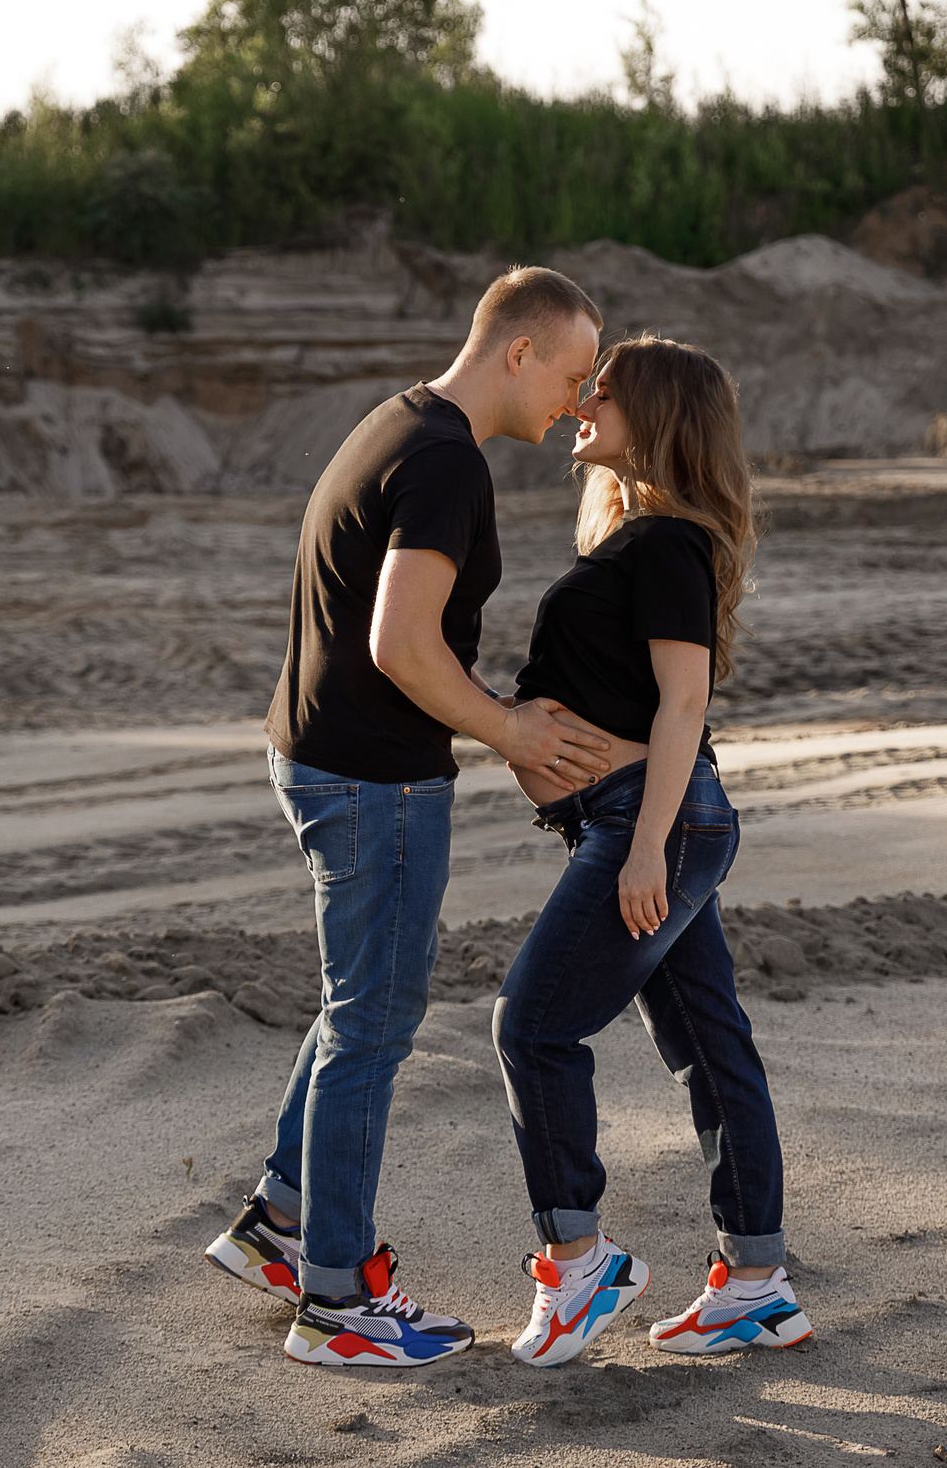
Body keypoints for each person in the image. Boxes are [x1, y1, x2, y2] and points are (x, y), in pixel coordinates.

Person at [204, 267, 614, 1368]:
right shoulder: (445, 462)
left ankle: (280, 1223)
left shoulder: (398, 422)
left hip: (321, 756)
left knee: (360, 1003)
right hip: (371, 778)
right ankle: (337, 1302)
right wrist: (511, 731)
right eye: (573, 373)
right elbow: (400, 643)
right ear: (519, 350)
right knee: (373, 1023)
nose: (578, 401)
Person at [490, 335, 810, 1367]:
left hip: (650, 823)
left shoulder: (668, 543)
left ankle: (578, 1259)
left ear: (658, 416)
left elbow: (683, 705)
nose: (582, 402)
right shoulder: (639, 538)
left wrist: (646, 849)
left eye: (605, 391)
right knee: (710, 1043)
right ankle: (756, 1284)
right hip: (637, 820)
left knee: (532, 1025)